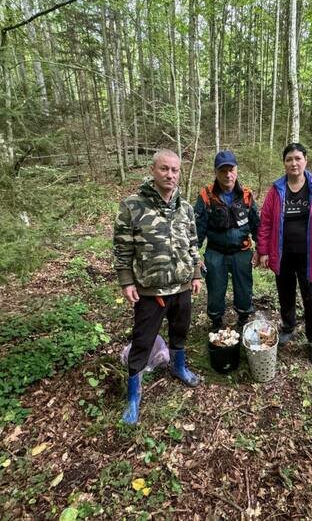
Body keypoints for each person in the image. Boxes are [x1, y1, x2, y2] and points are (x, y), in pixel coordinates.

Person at [113, 149, 203, 425]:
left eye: (175, 170)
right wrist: (126, 280)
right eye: (164, 169)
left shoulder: (185, 207)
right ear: (153, 170)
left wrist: (196, 274)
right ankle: (133, 395)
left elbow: (192, 243)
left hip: (182, 286)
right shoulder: (133, 206)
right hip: (150, 290)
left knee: (180, 330)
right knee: (142, 340)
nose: (170, 175)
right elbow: (122, 247)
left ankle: (178, 367)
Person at [256, 143, 312, 367]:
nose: (294, 163)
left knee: (311, 298)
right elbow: (266, 222)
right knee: (285, 294)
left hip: (310, 255)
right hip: (283, 254)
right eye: (289, 159)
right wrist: (263, 250)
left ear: (305, 161)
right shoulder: (277, 190)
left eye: (298, 158)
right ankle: (288, 326)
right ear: (284, 163)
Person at [194, 150, 260, 332]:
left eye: (231, 170)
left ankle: (244, 317)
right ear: (216, 172)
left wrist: (261, 249)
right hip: (215, 252)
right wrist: (195, 254)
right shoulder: (206, 195)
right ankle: (216, 322)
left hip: (242, 251)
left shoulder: (246, 195)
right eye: (223, 171)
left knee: (244, 288)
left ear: (236, 170)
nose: (228, 175)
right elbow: (197, 228)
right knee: (215, 290)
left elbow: (257, 225)